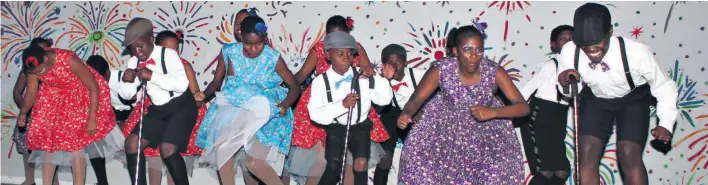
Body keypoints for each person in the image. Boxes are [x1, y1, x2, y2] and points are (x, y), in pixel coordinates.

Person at [557, 3, 677, 185]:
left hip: (633, 99)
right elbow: (570, 90)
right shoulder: (570, 51)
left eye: (598, 42)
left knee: (628, 153)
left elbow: (664, 86)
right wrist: (565, 81)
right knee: (586, 155)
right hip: (595, 99)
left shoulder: (636, 52)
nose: (591, 50)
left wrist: (666, 123)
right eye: (585, 45)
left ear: (610, 32)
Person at [396, 25, 529, 184]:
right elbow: (416, 99)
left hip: (486, 134)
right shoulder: (441, 70)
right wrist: (406, 113)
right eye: (467, 50)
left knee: (497, 171)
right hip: (443, 130)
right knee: (424, 170)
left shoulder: (494, 71)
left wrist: (493, 112)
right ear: (455, 51)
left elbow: (524, 107)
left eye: (479, 50)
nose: (474, 56)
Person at [195, 15, 300, 185]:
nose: (253, 49)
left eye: (258, 44)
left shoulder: (272, 57)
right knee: (222, 151)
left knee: (254, 164)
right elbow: (216, 82)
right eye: (247, 44)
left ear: (264, 39)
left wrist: (285, 105)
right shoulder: (229, 52)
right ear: (240, 36)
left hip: (266, 111)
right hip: (235, 107)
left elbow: (294, 86)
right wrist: (204, 94)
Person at [289, 15, 386, 185]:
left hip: (352, 104)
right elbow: (303, 74)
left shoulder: (356, 49)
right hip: (325, 104)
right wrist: (287, 86)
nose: (337, 42)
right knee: (321, 161)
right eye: (332, 38)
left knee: (351, 159)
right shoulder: (318, 49)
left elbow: (367, 71)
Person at [17, 44, 118, 185]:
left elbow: (93, 88)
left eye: (40, 71)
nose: (39, 75)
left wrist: (92, 119)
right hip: (52, 98)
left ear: (46, 58)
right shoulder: (32, 66)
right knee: (48, 144)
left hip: (80, 96)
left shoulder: (68, 60)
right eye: (36, 73)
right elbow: (31, 92)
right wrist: (23, 112)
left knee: (76, 145)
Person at [117, 30, 207, 185]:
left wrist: (152, 76)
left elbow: (182, 85)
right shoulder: (135, 61)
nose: (137, 51)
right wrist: (126, 81)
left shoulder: (173, 59)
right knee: (132, 144)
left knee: (167, 148)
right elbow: (127, 96)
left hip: (181, 106)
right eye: (133, 48)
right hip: (159, 110)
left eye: (140, 46)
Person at [308, 31, 395, 185]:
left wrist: (376, 77)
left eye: (349, 53)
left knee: (361, 163)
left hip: (360, 126)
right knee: (334, 165)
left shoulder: (363, 76)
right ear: (328, 55)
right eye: (340, 54)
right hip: (336, 127)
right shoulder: (321, 82)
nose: (346, 58)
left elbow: (385, 99)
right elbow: (315, 113)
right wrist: (341, 105)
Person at [518, 25, 574, 185]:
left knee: (562, 170)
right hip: (539, 116)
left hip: (558, 117)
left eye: (572, 39)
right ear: (553, 44)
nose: (568, 42)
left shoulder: (578, 69)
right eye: (563, 39)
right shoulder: (549, 66)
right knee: (546, 169)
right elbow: (526, 91)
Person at [371, 44, 426, 185]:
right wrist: (384, 80)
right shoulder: (378, 80)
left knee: (418, 156)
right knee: (385, 157)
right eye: (389, 64)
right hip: (391, 114)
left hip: (415, 115)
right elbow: (375, 106)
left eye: (398, 63)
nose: (394, 67)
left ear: (406, 63)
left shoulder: (420, 75)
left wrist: (423, 111)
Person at [12, 38, 61, 185]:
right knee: (26, 148)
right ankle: (29, 180)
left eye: (46, 49)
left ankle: (54, 181)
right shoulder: (28, 71)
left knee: (53, 151)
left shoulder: (56, 69)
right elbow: (17, 93)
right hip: (31, 115)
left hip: (51, 115)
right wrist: (27, 111)